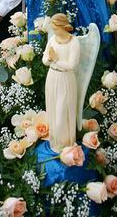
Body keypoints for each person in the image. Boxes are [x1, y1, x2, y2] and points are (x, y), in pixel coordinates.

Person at [42, 13, 80, 152]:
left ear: (63, 27)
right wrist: (49, 59)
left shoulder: (74, 42)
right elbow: (44, 59)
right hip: (52, 77)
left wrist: (56, 59)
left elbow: (72, 65)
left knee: (62, 114)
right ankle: (56, 144)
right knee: (52, 111)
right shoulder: (52, 39)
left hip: (65, 80)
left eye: (56, 28)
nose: (54, 31)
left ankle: (66, 145)